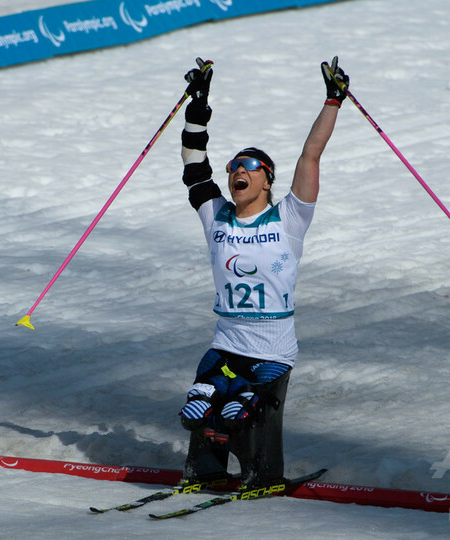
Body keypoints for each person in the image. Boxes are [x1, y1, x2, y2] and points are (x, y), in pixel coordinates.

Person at [177, 56, 348, 487]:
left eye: (250, 166)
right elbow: (194, 163)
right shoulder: (216, 214)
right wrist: (199, 104)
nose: (238, 170)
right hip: (226, 342)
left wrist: (332, 101)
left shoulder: (288, 220)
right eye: (234, 165)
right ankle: (207, 471)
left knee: (242, 411)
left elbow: (311, 155)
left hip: (272, 351)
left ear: (267, 181)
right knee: (199, 405)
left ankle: (261, 473)